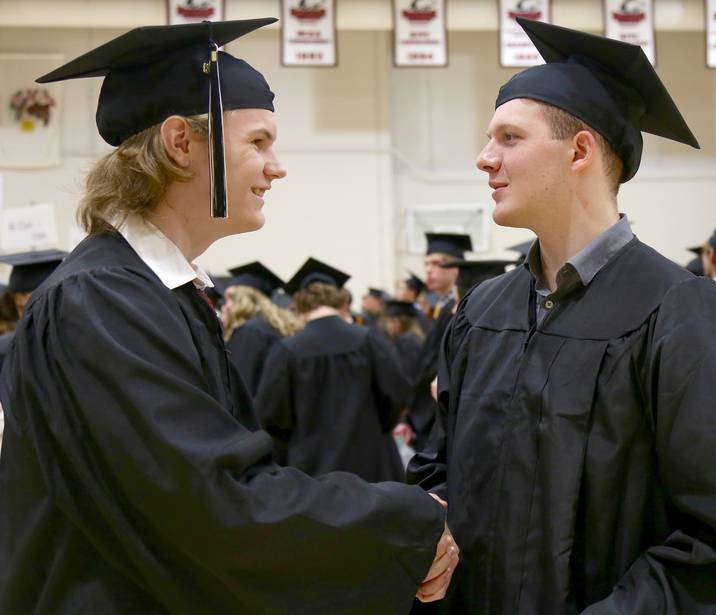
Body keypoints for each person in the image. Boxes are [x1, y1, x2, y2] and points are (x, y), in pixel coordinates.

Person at [0, 19, 458, 613]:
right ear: (180, 143)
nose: (277, 167)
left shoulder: (153, 292)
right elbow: (209, 503)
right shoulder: (102, 300)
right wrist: (405, 521)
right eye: (259, 142)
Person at [407, 19, 716, 613]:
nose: (485, 159)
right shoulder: (484, 310)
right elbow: (440, 467)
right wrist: (427, 528)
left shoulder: (680, 313)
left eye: (509, 137)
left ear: (580, 150)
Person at [255, 258, 411, 483]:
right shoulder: (369, 340)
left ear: (299, 303)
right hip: (372, 463)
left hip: (312, 471)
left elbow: (271, 415)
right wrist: (376, 427)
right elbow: (398, 394)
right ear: (340, 301)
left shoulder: (287, 350)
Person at [407, 233, 472, 450]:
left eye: (436, 263)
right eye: (426, 264)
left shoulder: (467, 308)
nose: (428, 270)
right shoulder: (444, 308)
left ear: (456, 267)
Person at [222, 260, 301, 397]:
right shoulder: (275, 326)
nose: (226, 306)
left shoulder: (250, 332)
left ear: (246, 299)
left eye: (231, 298)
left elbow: (241, 386)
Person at [0, 249, 67, 371]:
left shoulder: (77, 347)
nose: (25, 317)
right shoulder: (6, 352)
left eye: (32, 307)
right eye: (20, 308)